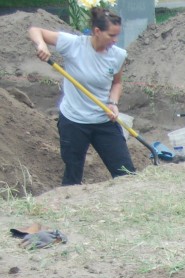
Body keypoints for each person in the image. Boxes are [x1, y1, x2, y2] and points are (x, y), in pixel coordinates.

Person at [27, 9, 136, 186]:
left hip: (103, 119)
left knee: (126, 173)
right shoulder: (74, 44)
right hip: (73, 121)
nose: (115, 40)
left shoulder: (117, 55)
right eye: (111, 35)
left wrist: (113, 103)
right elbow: (34, 30)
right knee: (73, 174)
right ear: (97, 31)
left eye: (118, 35)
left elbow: (117, 83)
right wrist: (41, 45)